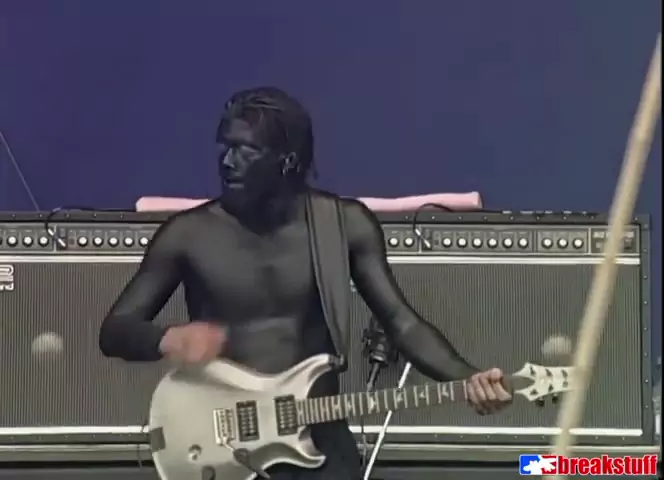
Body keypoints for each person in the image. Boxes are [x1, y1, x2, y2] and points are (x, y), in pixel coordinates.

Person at [99, 87, 512, 480]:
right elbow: (115, 330)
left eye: (246, 150)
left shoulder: (343, 225)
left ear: (288, 161)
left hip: (319, 438)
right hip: (226, 447)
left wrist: (467, 377)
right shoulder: (188, 235)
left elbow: (402, 324)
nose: (227, 161)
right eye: (225, 147)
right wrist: (168, 339)